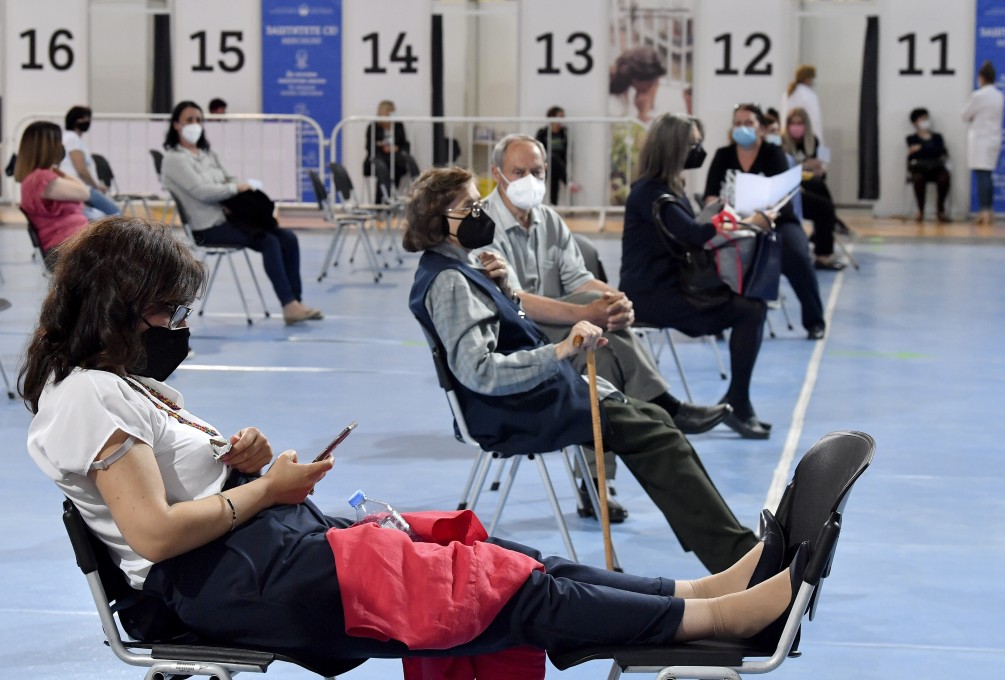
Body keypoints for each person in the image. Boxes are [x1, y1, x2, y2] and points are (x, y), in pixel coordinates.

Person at [25, 216, 801, 678]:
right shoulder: (89, 396)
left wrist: (245, 464)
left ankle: (696, 593)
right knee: (499, 591)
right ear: (122, 307)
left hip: (263, 549)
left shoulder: (116, 386)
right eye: (168, 311)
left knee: (498, 557)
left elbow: (172, 493)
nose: (178, 326)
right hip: (237, 579)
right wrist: (265, 489)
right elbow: (155, 534)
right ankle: (715, 623)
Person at [407, 166, 759, 570]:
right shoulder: (450, 282)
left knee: (657, 420)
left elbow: (511, 329)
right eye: (469, 206)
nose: (480, 212)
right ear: (439, 220)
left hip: (535, 395)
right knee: (659, 438)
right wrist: (560, 350)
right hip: (514, 410)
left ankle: (731, 550)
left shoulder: (464, 268)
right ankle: (741, 559)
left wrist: (504, 293)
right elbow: (481, 372)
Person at [481, 133, 732, 521]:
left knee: (601, 357)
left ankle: (596, 486)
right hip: (515, 343)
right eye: (519, 172)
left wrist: (617, 300)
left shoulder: (548, 219)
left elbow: (579, 279)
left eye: (537, 172)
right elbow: (516, 302)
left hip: (560, 337)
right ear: (497, 173)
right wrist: (588, 313)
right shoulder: (484, 226)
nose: (529, 180)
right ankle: (664, 405)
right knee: (594, 327)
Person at [621, 113, 772, 440]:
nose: (699, 150)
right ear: (673, 147)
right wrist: (749, 222)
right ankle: (738, 403)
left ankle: (738, 400)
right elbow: (694, 234)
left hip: (674, 286)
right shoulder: (650, 193)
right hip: (651, 296)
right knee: (751, 310)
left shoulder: (669, 188)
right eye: (693, 144)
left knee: (753, 305)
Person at [160, 100, 321, 325]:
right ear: (176, 124)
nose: (195, 124)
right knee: (269, 242)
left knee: (287, 238)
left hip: (230, 219)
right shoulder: (174, 159)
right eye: (189, 120)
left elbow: (229, 178)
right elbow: (202, 192)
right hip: (207, 228)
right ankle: (289, 305)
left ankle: (296, 302)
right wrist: (236, 188)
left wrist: (236, 188)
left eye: (198, 119)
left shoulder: (207, 154)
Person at [703, 103, 826, 341]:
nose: (743, 128)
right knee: (709, 254)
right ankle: (715, 320)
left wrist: (762, 217)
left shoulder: (773, 154)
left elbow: (782, 195)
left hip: (774, 221)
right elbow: (709, 195)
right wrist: (726, 212)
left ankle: (814, 321)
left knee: (797, 253)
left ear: (760, 128)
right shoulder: (723, 155)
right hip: (733, 223)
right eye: (738, 123)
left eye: (749, 123)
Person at [782, 108, 845, 270]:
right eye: (793, 123)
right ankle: (831, 225)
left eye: (800, 123)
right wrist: (804, 165)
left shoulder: (813, 141)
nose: (796, 127)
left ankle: (827, 227)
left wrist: (817, 169)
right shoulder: (781, 143)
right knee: (825, 207)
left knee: (820, 187)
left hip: (809, 183)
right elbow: (784, 171)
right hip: (790, 189)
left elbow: (819, 167)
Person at [14, 121, 90, 254]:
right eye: (58, 142)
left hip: (70, 244)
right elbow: (84, 192)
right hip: (67, 248)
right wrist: (56, 169)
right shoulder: (41, 179)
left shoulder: (34, 178)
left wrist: (55, 169)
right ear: (49, 148)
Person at [58, 105, 121, 218]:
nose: (88, 121)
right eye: (85, 118)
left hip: (78, 186)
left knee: (101, 215)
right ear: (75, 120)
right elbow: (81, 169)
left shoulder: (70, 138)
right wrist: (96, 186)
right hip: (80, 187)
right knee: (115, 213)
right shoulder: (72, 138)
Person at [962, 60, 1005, 225]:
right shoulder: (999, 95)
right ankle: (989, 211)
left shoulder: (979, 95)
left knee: (982, 175)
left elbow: (965, 114)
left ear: (981, 78)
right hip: (994, 138)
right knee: (988, 174)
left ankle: (984, 211)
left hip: (980, 139)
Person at [906, 107, 951, 223]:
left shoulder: (937, 137)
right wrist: (930, 150)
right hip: (920, 169)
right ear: (915, 122)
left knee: (944, 178)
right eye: (922, 119)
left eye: (926, 118)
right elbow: (914, 156)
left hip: (936, 168)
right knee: (918, 178)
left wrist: (920, 148)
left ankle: (940, 210)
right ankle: (920, 210)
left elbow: (941, 151)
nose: (925, 121)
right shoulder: (911, 138)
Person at [364, 99, 411, 203]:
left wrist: (395, 148)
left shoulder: (398, 126)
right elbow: (369, 146)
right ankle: (380, 202)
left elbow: (404, 144)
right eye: (389, 111)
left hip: (395, 159)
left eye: (393, 111)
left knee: (398, 166)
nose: (391, 114)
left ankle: (392, 199)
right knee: (382, 168)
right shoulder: (373, 126)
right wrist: (382, 147)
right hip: (379, 159)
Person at [609, 46, 666, 123]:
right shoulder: (613, 94)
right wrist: (642, 114)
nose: (653, 85)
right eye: (651, 82)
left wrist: (643, 112)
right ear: (636, 78)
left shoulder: (642, 89)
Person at [781, 65, 824, 145]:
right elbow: (815, 121)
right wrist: (819, 143)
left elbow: (783, 117)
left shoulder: (787, 94)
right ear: (808, 79)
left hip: (788, 135)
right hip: (808, 138)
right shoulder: (810, 95)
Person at [535, 106, 568, 205]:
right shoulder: (542, 133)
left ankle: (554, 205)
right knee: (552, 158)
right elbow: (538, 150)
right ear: (551, 118)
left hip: (558, 166)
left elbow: (566, 152)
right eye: (560, 117)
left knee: (555, 167)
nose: (561, 120)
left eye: (563, 117)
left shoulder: (564, 133)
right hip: (544, 164)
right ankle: (567, 182)